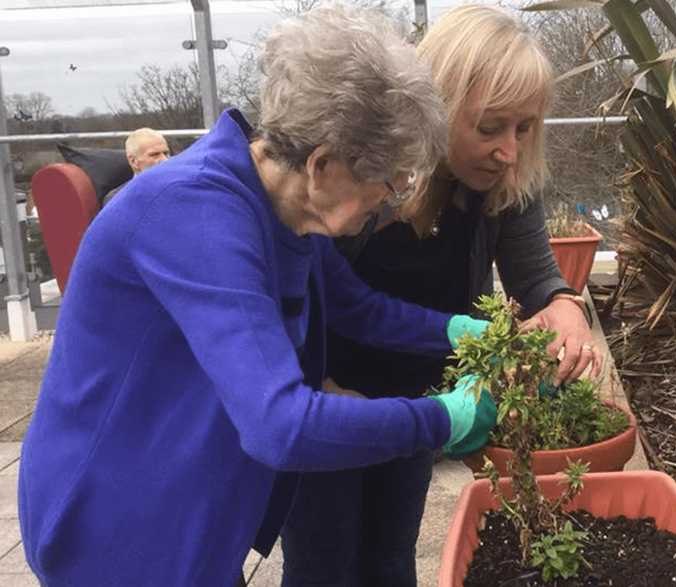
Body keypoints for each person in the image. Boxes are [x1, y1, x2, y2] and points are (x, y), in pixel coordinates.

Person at [17, 6, 498, 586]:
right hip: (116, 526)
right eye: (390, 181)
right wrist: (439, 420)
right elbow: (281, 425)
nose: (393, 200)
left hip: (189, 501)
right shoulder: (193, 214)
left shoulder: (281, 205)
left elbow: (354, 308)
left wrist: (461, 332)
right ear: (323, 165)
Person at [277, 6, 603, 586]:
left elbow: (537, 278)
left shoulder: (506, 178)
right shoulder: (369, 179)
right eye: (490, 126)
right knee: (323, 565)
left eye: (524, 128)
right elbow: (309, 293)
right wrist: (315, 383)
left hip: (420, 403)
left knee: (390, 558)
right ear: (439, 106)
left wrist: (565, 306)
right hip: (329, 400)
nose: (509, 148)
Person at [103, 127, 171, 205]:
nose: (165, 160)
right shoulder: (116, 200)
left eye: (166, 153)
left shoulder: (182, 188)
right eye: (154, 155)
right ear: (134, 161)